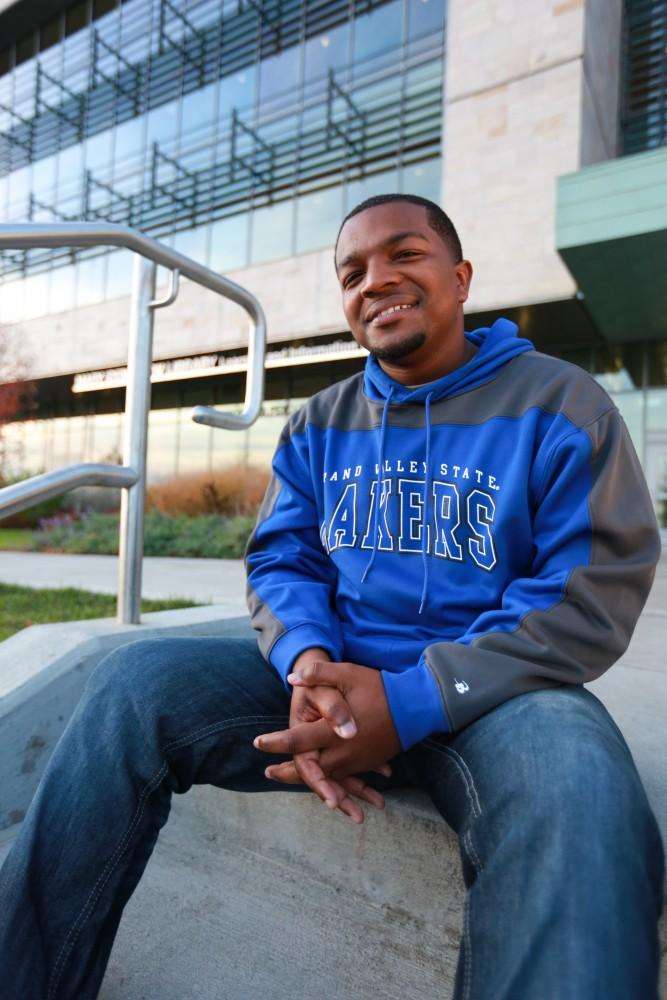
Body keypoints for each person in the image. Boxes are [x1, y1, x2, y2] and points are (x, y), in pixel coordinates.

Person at [0, 194, 663, 999]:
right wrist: (307, 664)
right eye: (352, 272)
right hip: (333, 685)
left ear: (459, 278)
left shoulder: (562, 404)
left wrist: (412, 699)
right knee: (131, 686)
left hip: (496, 697)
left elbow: (587, 591)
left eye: (404, 255)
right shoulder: (319, 423)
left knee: (582, 795)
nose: (375, 280)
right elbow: (282, 558)